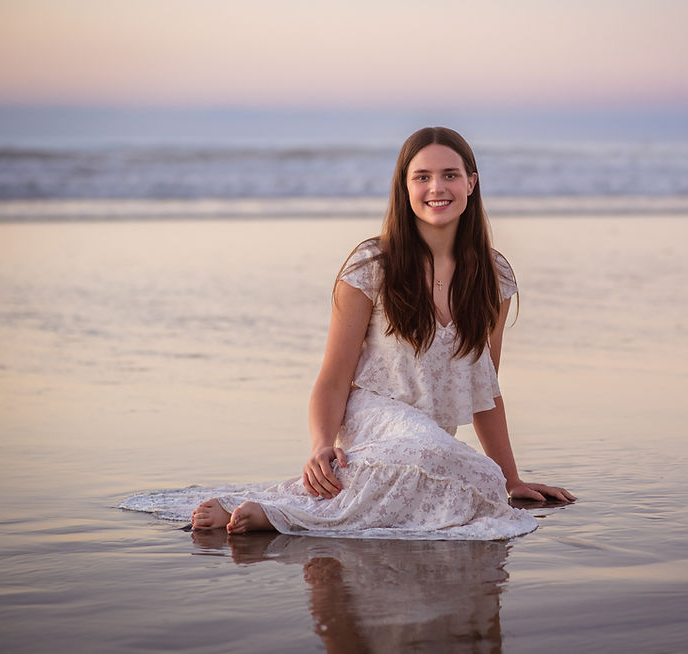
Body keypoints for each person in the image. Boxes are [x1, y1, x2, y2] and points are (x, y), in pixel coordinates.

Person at [188, 127, 574, 538]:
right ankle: (282, 515)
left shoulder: (493, 277)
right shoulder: (371, 265)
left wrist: (511, 479)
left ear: (471, 183)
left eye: (450, 175)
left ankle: (317, 506)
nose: (436, 188)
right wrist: (321, 445)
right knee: (436, 458)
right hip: (373, 420)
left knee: (482, 478)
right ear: (404, 187)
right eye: (422, 177)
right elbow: (334, 377)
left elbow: (485, 388)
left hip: (430, 445)